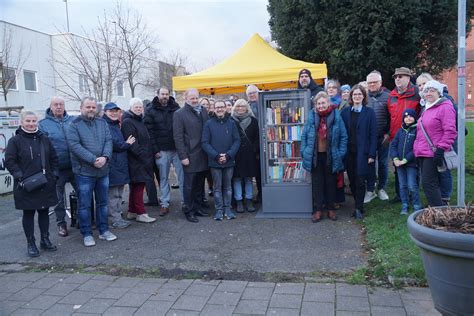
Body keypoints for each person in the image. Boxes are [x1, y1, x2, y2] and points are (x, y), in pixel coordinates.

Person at [6, 111, 59, 257]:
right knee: (28, 213)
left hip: (45, 183)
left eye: (33, 121)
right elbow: (10, 161)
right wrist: (19, 177)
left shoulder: (44, 139)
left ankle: (45, 239)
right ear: (22, 122)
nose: (31, 124)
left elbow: (54, 158)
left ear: (37, 122)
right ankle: (31, 243)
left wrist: (54, 175)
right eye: (28, 121)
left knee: (44, 212)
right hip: (25, 185)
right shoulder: (15, 141)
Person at [67, 97, 117, 247]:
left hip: (103, 170)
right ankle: (87, 233)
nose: (90, 109)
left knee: (102, 203)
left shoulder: (102, 123)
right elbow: (74, 145)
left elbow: (108, 141)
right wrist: (93, 159)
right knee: (84, 205)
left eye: (93, 107)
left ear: (96, 109)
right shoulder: (74, 125)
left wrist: (105, 157)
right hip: (84, 172)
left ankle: (104, 231)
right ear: (81, 108)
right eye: (87, 106)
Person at [301, 92, 347, 223]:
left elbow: (344, 137)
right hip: (315, 156)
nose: (321, 106)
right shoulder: (311, 116)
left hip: (331, 156)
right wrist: (304, 152)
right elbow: (304, 136)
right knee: (317, 184)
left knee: (330, 183)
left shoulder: (336, 116)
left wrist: (340, 153)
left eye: (323, 103)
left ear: (328, 103)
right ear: (315, 105)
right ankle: (318, 210)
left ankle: (331, 209)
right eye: (318, 103)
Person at [414, 80, 457, 207]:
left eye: (432, 90)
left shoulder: (445, 106)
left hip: (432, 153)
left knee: (429, 183)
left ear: (439, 93)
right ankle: (436, 210)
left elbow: (450, 131)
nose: (428, 93)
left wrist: (441, 149)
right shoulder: (427, 108)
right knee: (429, 183)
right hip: (422, 152)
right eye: (426, 90)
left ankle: (439, 213)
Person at [38, 96, 75, 237]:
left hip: (74, 166)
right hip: (56, 168)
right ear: (51, 106)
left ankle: (82, 220)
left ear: (64, 106)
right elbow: (43, 148)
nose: (58, 107)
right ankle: (62, 224)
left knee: (83, 194)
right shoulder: (43, 124)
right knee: (58, 199)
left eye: (61, 104)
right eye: (55, 104)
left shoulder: (72, 121)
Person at [144, 87, 184, 216]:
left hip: (177, 149)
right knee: (163, 178)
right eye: (162, 94)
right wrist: (155, 149)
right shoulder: (150, 110)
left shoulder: (176, 108)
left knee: (182, 176)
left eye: (166, 94)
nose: (165, 96)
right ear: (158, 95)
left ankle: (185, 202)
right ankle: (165, 203)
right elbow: (149, 132)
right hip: (161, 150)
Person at [173, 88, 210, 223]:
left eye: (196, 98)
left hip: (203, 154)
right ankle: (189, 210)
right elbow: (178, 137)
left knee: (200, 184)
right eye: (192, 98)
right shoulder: (179, 114)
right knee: (189, 186)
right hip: (190, 155)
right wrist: (183, 156)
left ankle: (198, 207)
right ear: (186, 98)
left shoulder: (203, 111)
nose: (194, 100)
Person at [341, 85, 377, 219]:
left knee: (361, 180)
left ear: (363, 96)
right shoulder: (345, 112)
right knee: (352, 181)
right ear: (351, 97)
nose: (357, 96)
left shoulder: (369, 113)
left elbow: (373, 135)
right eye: (354, 94)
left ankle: (359, 208)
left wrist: (372, 154)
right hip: (349, 153)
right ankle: (357, 204)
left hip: (363, 153)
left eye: (359, 94)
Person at [202, 100, 241, 220]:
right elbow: (205, 142)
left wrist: (228, 155)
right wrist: (216, 156)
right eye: (217, 107)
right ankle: (219, 210)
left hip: (229, 160)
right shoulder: (208, 124)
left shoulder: (232, 123)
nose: (219, 109)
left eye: (221, 107)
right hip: (215, 161)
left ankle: (228, 209)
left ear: (225, 108)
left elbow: (237, 141)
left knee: (228, 187)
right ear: (213, 109)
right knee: (217, 188)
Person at [387, 67, 421, 203]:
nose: (397, 79)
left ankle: (413, 195)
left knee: (413, 167)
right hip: (397, 136)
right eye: (395, 77)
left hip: (413, 137)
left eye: (400, 76)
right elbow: (389, 116)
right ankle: (400, 195)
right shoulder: (391, 96)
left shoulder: (417, 94)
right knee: (397, 167)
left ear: (408, 78)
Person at [121, 98, 157, 223]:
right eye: (136, 107)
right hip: (136, 161)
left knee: (136, 186)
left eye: (140, 107)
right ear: (131, 108)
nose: (138, 108)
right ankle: (141, 213)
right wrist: (144, 156)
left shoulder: (139, 120)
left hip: (142, 159)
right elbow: (132, 143)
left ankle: (132, 211)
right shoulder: (128, 122)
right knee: (138, 187)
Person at [103, 102, 135, 228]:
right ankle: (114, 220)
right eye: (111, 111)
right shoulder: (106, 125)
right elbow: (114, 144)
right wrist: (126, 144)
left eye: (116, 110)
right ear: (105, 112)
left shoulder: (115, 124)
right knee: (113, 195)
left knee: (118, 194)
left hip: (119, 164)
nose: (114, 113)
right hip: (113, 165)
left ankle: (117, 217)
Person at [365, 70, 391, 203]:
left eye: (375, 82)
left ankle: (381, 188)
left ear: (380, 83)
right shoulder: (364, 96)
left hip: (383, 136)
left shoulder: (388, 96)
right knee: (369, 164)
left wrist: (389, 133)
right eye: (370, 82)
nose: (372, 84)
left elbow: (393, 116)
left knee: (382, 163)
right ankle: (370, 189)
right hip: (368, 138)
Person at [231, 99, 260, 213]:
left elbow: (257, 138)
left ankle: (249, 200)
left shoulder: (253, 121)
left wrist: (254, 149)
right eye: (238, 106)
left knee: (248, 178)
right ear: (235, 107)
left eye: (243, 106)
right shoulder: (231, 120)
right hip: (236, 154)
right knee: (237, 179)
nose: (240, 108)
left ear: (247, 107)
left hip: (249, 155)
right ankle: (239, 201)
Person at [390, 109, 421, 215]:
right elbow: (393, 145)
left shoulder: (417, 130)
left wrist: (405, 160)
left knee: (412, 185)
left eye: (411, 116)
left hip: (411, 164)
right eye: (406, 116)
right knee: (402, 185)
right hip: (399, 164)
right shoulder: (400, 131)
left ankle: (417, 205)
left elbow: (416, 148)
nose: (408, 118)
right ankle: (405, 204)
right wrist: (395, 159)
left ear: (415, 118)